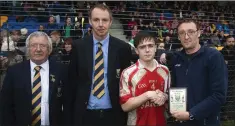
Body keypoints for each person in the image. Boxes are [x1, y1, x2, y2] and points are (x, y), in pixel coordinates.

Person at [66, 4, 132, 125]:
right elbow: (71, 84)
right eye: (96, 20)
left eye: (105, 20)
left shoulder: (123, 48)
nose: (100, 24)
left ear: (110, 22)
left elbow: (126, 83)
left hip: (114, 114)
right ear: (90, 21)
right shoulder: (78, 47)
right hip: (85, 114)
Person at [160, 19, 227, 126]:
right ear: (178, 36)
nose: (186, 37)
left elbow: (219, 95)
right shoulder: (177, 58)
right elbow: (175, 87)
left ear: (199, 33)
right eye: (182, 33)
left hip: (206, 121)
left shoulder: (213, 56)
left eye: (191, 32)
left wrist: (191, 114)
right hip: (181, 121)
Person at [0, 31, 67, 126]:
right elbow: (5, 106)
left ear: (49, 49)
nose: (38, 49)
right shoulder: (14, 72)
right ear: (28, 48)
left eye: (43, 46)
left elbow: (69, 104)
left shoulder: (62, 71)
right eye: (34, 45)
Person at [119, 32, 171, 126]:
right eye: (142, 47)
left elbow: (169, 96)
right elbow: (125, 106)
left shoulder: (165, 71)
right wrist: (147, 95)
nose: (147, 50)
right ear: (137, 50)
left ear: (155, 47)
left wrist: (165, 96)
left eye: (150, 46)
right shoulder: (128, 73)